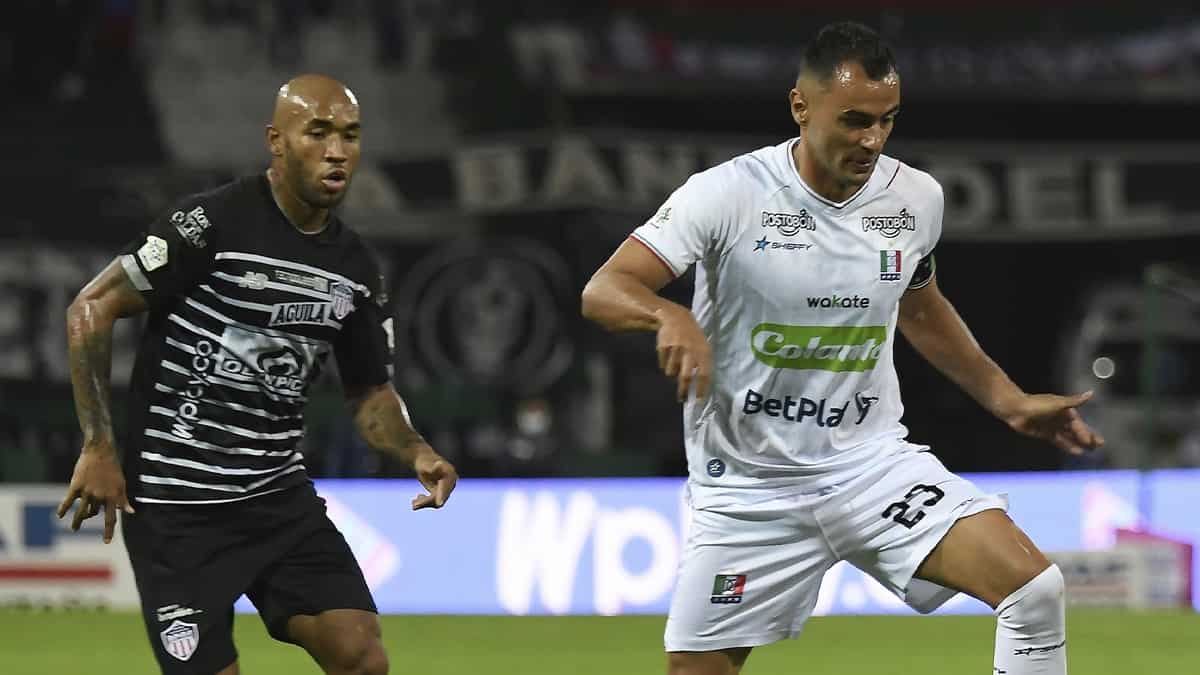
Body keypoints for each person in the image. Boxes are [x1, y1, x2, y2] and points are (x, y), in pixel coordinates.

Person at [581, 22, 1102, 675]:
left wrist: (1009, 400)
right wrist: (668, 316)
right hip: (750, 487)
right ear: (801, 105)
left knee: (1035, 589)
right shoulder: (727, 194)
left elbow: (919, 305)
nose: (872, 139)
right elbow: (605, 288)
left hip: (870, 468)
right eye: (855, 120)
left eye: (887, 120)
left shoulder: (915, 198)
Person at [58, 74, 458, 675]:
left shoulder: (354, 270)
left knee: (361, 655)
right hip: (176, 509)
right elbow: (91, 307)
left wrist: (417, 450)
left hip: (277, 500)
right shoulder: (209, 224)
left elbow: (371, 392)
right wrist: (98, 445)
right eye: (317, 133)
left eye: (350, 136)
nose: (336, 150)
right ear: (276, 140)